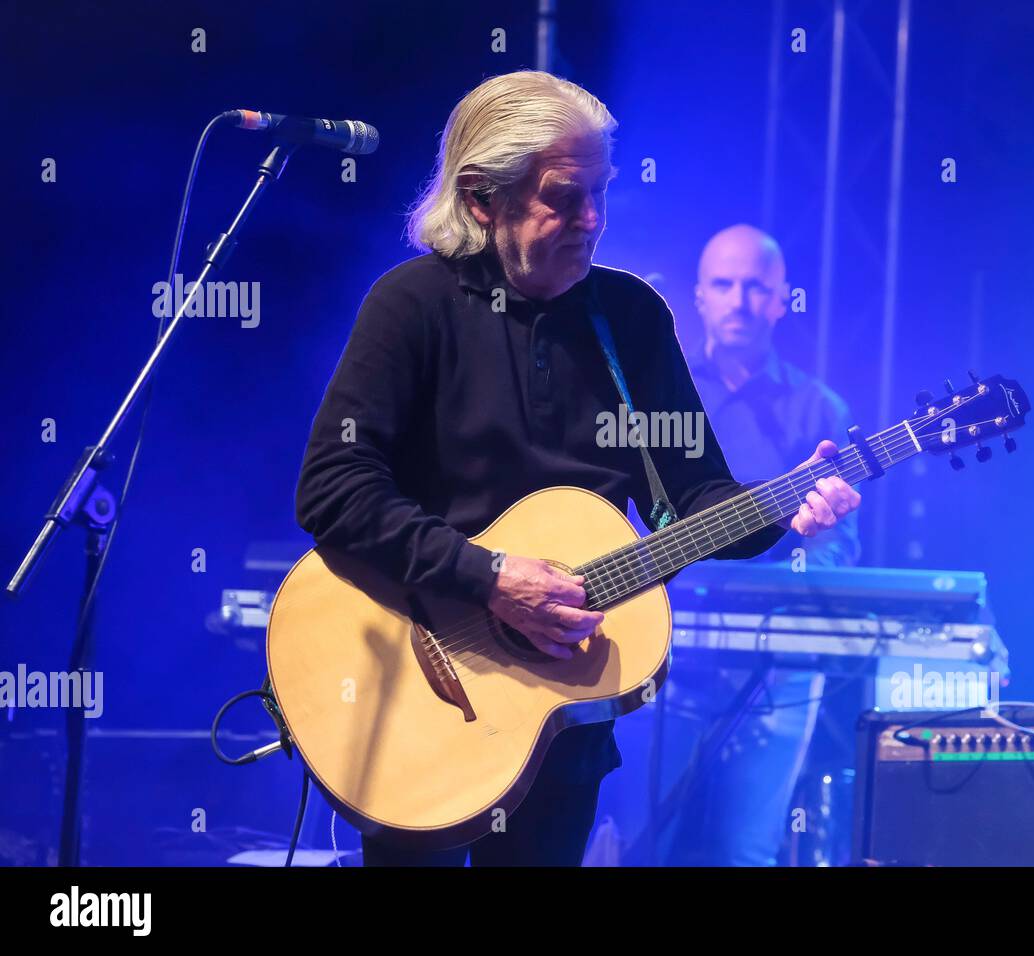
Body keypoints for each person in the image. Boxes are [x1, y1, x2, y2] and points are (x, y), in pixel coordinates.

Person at [293, 72, 862, 866]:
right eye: (565, 197)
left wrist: (782, 509)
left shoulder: (629, 319)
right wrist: (487, 577)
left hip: (560, 716)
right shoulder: (412, 305)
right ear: (483, 198)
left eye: (601, 193)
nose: (592, 221)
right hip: (418, 683)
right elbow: (332, 486)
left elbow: (690, 500)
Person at [662, 224, 859, 866]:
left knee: (742, 852)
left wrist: (790, 563)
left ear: (781, 300)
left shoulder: (817, 409)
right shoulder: (664, 393)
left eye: (756, 287)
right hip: (661, 645)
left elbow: (840, 545)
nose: (739, 300)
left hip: (778, 662)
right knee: (643, 843)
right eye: (724, 284)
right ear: (699, 296)